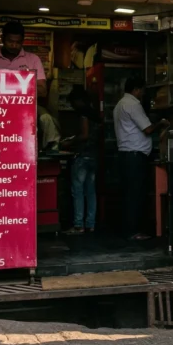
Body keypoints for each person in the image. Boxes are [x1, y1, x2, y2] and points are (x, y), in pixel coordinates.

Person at [0, 21, 56, 144]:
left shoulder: (33, 59)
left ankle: (49, 149)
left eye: (18, 42)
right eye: (10, 41)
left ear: (22, 41)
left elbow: (42, 91)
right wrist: (20, 85)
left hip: (27, 108)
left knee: (46, 119)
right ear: (2, 39)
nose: (14, 45)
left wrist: (7, 86)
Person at [113, 77, 170, 241]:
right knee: (136, 194)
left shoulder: (120, 104)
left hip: (125, 154)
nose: (143, 94)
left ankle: (128, 229)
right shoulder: (133, 104)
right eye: (142, 91)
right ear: (136, 90)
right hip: (134, 156)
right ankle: (134, 231)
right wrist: (162, 123)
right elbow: (148, 129)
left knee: (129, 193)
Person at [66, 86, 101, 234]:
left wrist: (70, 141)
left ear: (78, 100)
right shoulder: (95, 114)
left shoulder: (83, 114)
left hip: (82, 156)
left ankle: (78, 225)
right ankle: (90, 224)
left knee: (78, 191)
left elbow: (85, 135)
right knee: (91, 191)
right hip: (94, 156)